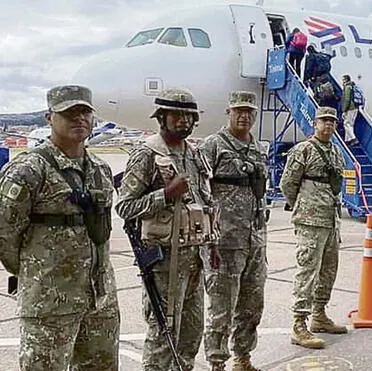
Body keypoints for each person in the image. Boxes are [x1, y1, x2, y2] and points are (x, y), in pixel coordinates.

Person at [0, 85, 120, 370]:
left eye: (85, 111)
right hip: (50, 302)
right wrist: (34, 273)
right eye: (68, 112)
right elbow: (4, 233)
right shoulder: (30, 169)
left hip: (100, 300)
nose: (79, 118)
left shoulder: (100, 169)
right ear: (49, 118)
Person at [116, 88, 220, 371]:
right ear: (161, 117)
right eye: (177, 115)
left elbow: (205, 202)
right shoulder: (147, 154)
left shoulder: (195, 155)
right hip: (164, 263)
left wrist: (213, 245)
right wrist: (165, 194)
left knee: (191, 334)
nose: (184, 121)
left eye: (189, 116)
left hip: (194, 259)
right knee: (163, 337)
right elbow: (124, 207)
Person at [199, 91, 268, 371]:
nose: (244, 116)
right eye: (239, 111)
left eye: (249, 112)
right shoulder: (213, 146)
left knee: (252, 304)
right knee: (221, 308)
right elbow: (199, 191)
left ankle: (243, 357)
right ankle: (217, 363)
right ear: (228, 113)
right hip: (224, 242)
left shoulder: (257, 148)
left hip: (254, 240)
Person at [280, 106, 347, 350]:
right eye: (323, 121)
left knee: (329, 270)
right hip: (310, 220)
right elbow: (288, 183)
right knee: (307, 271)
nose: (327, 125)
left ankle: (319, 314)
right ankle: (299, 324)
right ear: (315, 124)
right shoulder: (303, 150)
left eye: (331, 121)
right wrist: (303, 205)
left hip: (331, 220)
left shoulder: (336, 152)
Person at [341, 74, 359, 145]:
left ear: (346, 80)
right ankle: (347, 140)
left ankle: (353, 138)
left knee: (346, 124)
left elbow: (347, 99)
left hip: (350, 108)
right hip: (355, 107)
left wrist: (344, 110)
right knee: (350, 124)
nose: (342, 82)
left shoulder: (347, 87)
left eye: (343, 80)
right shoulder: (353, 86)